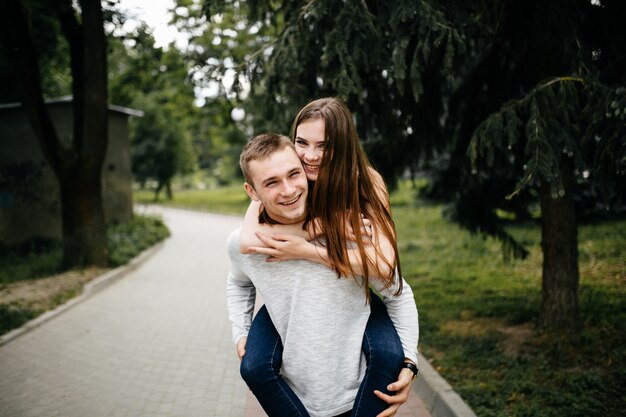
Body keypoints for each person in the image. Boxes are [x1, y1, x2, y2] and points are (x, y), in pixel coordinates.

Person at [227, 131, 418, 416]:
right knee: (253, 367)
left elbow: (397, 292)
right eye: (272, 182)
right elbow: (238, 282)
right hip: (295, 399)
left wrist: (409, 362)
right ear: (252, 192)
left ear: (307, 172)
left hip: (362, 394)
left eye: (294, 174)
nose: (289, 190)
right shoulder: (247, 244)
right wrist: (240, 330)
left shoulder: (349, 234)